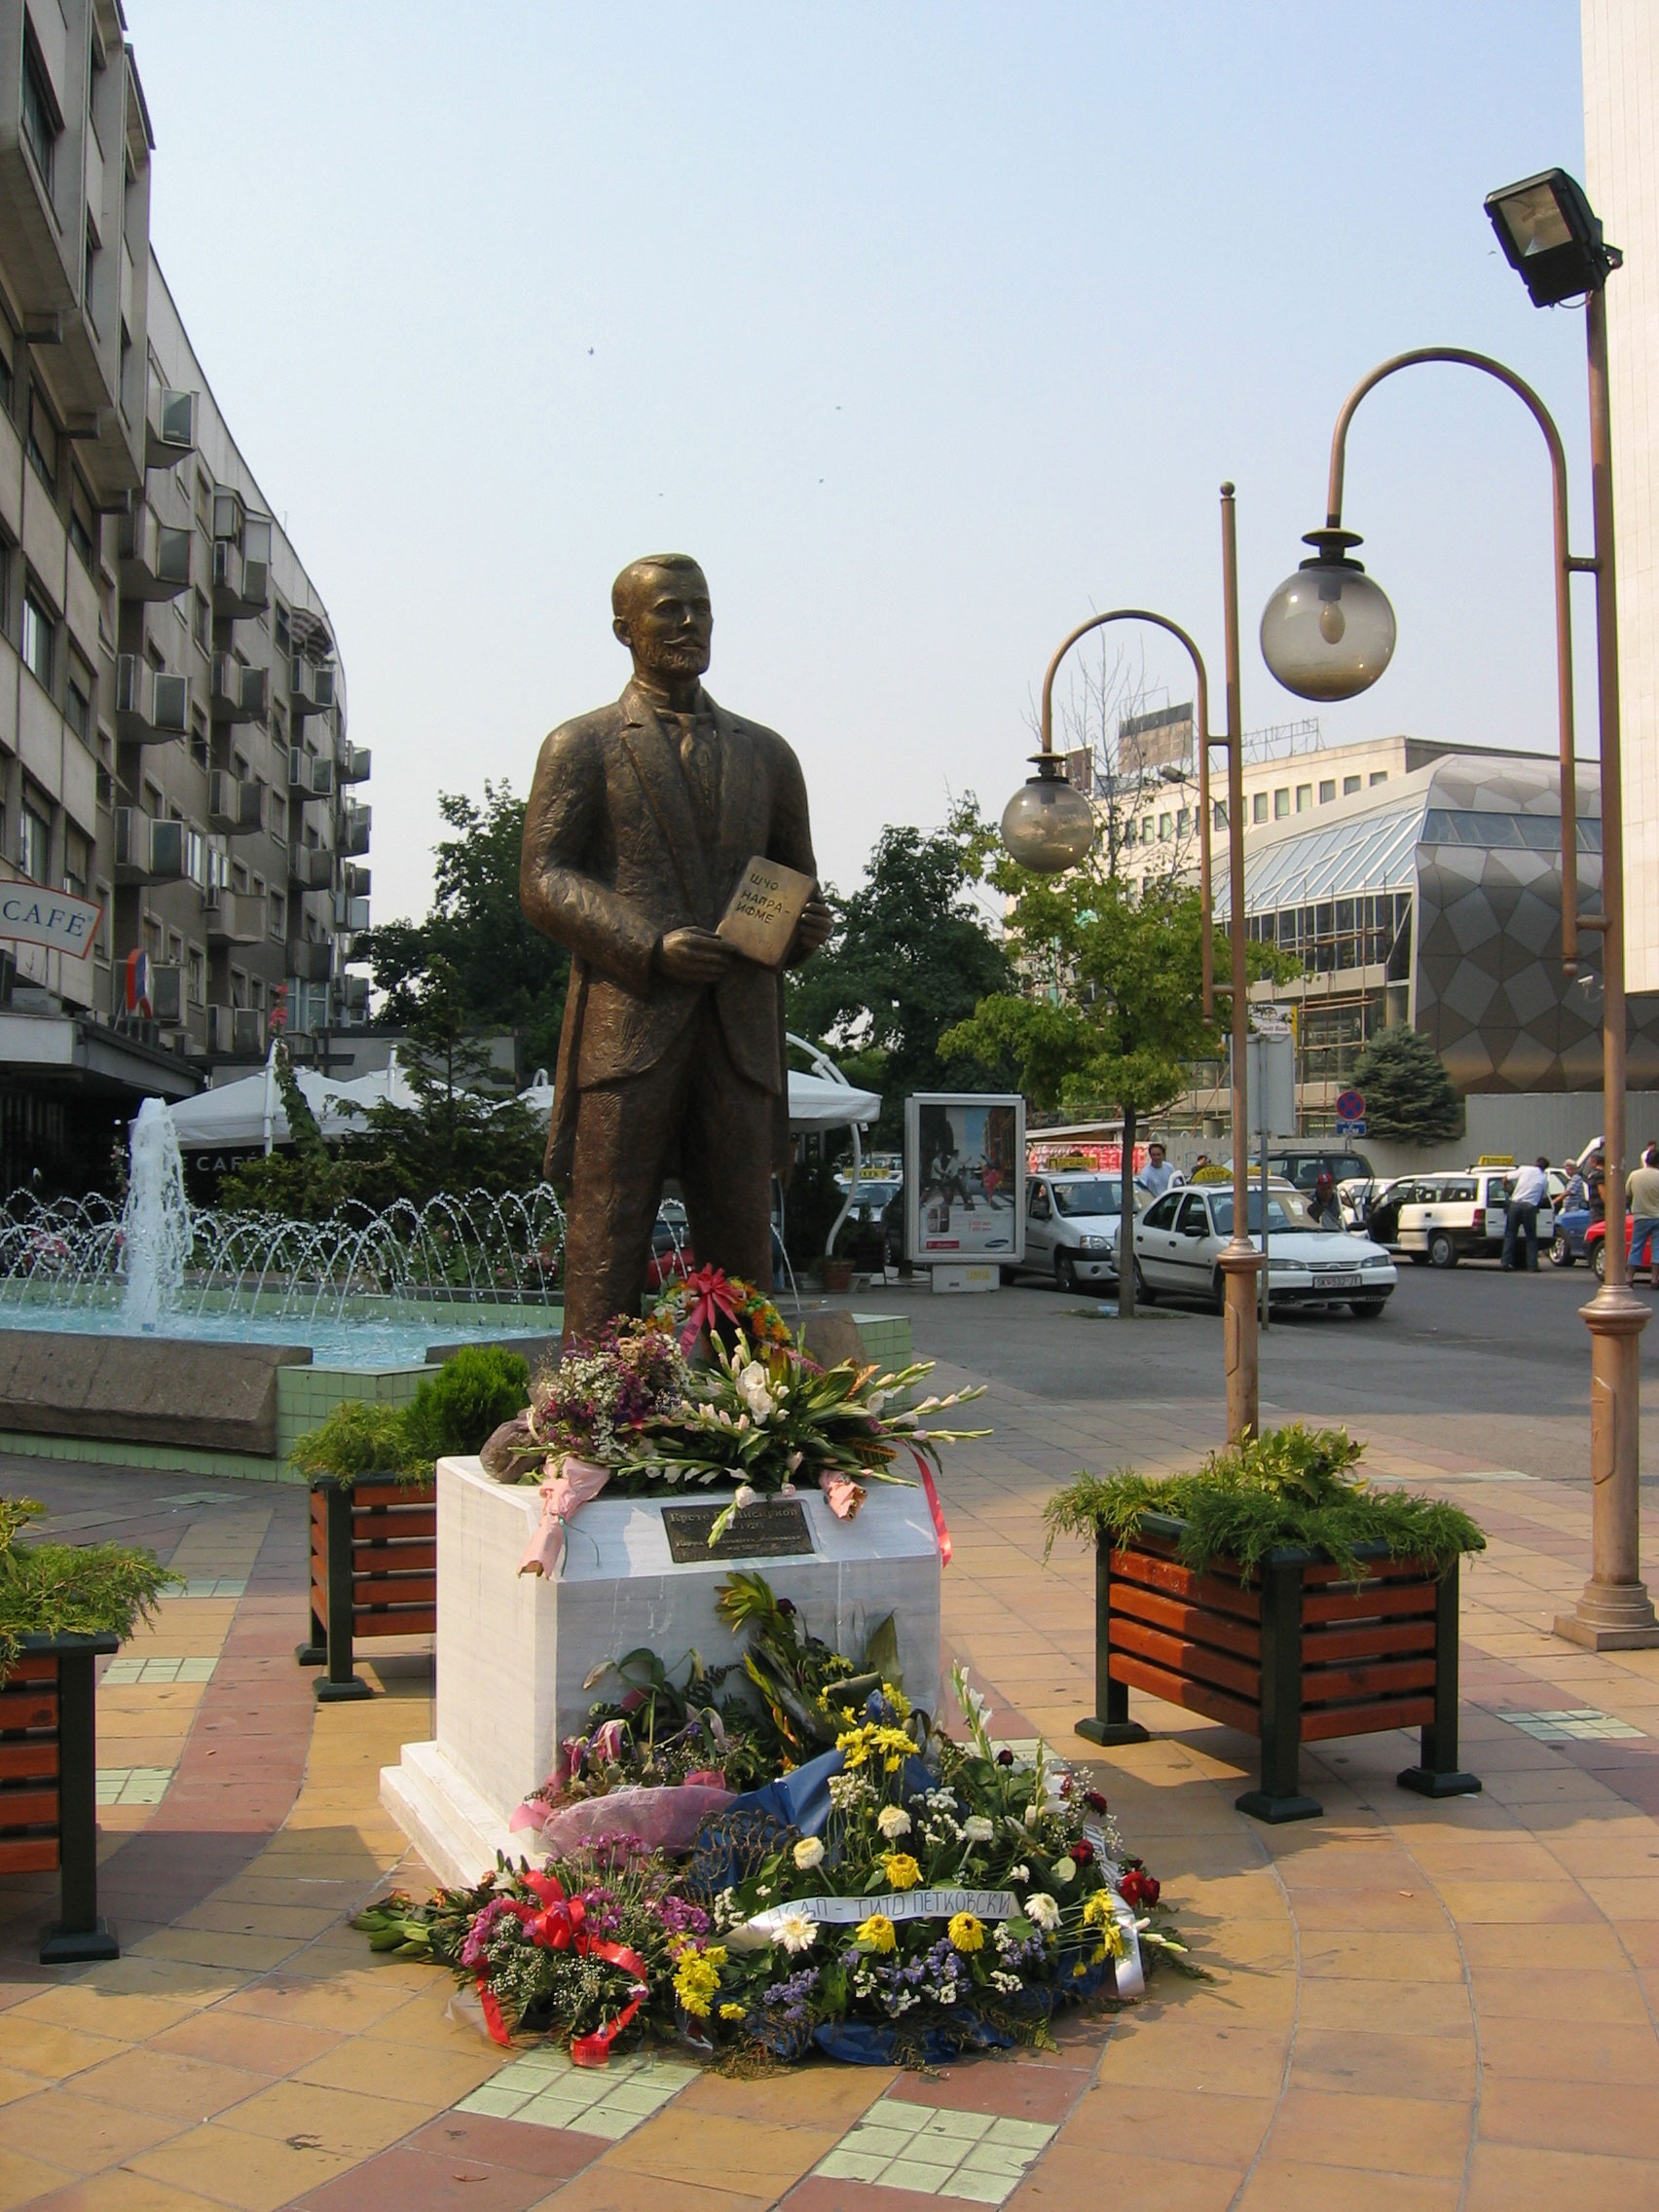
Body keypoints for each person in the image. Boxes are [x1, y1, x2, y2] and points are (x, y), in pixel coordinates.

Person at [521, 554, 833, 1342]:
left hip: (739, 1030)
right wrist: (649, 944)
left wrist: (803, 932)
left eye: (700, 607)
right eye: (668, 609)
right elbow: (543, 878)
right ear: (625, 629)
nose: (690, 623)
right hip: (631, 1021)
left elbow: (796, 881)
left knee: (738, 1231)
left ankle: (750, 1407)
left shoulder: (768, 754)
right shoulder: (582, 745)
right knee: (610, 1227)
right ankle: (593, 1411)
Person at [1502, 1156, 1549, 1273]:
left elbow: (1505, 1178)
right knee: (1531, 1238)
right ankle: (1532, 1266)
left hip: (1515, 1204)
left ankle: (1505, 1262)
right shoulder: (1544, 1179)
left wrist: (1510, 1190)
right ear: (1545, 1168)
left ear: (1535, 1163)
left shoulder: (1525, 1169)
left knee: (1510, 1235)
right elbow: (1543, 1197)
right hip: (1529, 1207)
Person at [1628, 1144, 1659, 1290]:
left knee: (1636, 1246)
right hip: (1658, 1217)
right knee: (1657, 1248)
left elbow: (1627, 1193)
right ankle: (1654, 1279)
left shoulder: (1635, 1175)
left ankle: (1629, 1278)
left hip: (1640, 1216)